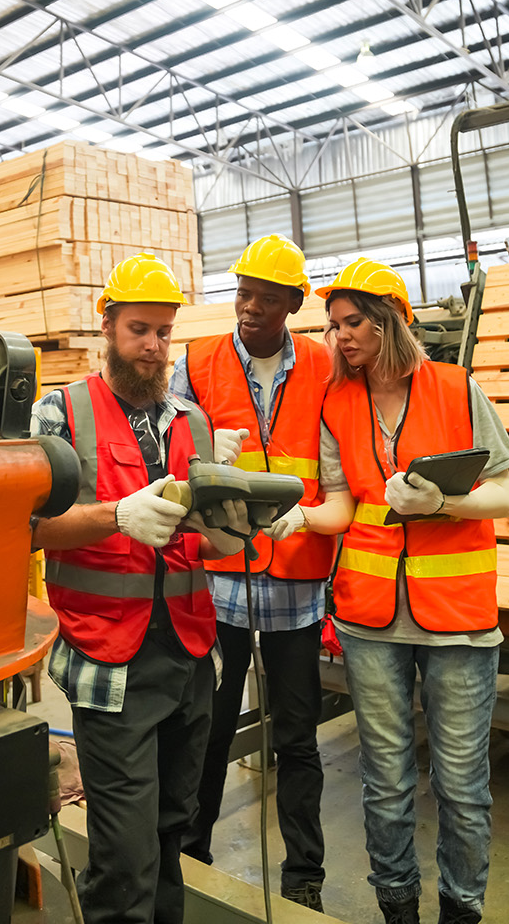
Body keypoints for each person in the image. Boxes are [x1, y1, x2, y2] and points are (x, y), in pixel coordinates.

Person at [284, 257, 509, 924]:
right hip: (370, 619)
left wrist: (442, 503)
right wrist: (299, 517)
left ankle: (461, 910)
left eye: (353, 322)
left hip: (459, 620)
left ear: (389, 322)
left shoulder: (456, 389)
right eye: (334, 325)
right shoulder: (337, 403)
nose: (341, 336)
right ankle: (398, 908)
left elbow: (504, 496)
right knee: (385, 783)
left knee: (462, 786)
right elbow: (341, 505)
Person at [31, 251, 251, 924]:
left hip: (188, 656)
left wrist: (232, 533)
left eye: (163, 332)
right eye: (139, 330)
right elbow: (27, 528)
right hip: (108, 656)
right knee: (125, 853)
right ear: (107, 327)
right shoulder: (59, 415)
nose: (154, 346)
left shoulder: (193, 422)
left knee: (170, 829)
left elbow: (203, 541)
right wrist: (115, 517)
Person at [173, 235, 336, 910]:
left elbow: (340, 456)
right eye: (244, 294)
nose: (250, 308)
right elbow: (170, 454)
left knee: (297, 736)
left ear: (294, 304)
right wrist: (203, 452)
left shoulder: (325, 364)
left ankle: (303, 877)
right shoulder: (198, 361)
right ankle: (191, 854)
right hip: (223, 580)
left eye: (268, 299)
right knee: (208, 730)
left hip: (296, 580)